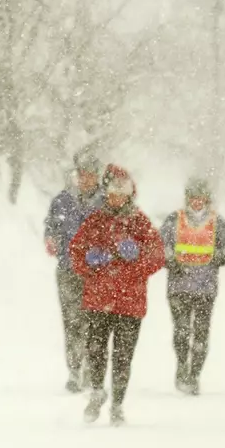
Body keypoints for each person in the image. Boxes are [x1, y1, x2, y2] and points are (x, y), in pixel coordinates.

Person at [69, 164, 164, 426]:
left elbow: (157, 256)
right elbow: (76, 251)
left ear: (129, 195)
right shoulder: (95, 220)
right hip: (98, 299)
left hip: (130, 303)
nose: (115, 198)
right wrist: (89, 261)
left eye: (121, 194)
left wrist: (137, 259)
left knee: (123, 356)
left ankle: (118, 404)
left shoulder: (140, 223)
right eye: (111, 193)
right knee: (96, 350)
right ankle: (97, 392)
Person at [160, 178, 225, 395]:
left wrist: (216, 258)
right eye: (193, 198)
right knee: (182, 332)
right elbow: (159, 246)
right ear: (187, 199)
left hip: (206, 288)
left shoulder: (217, 222)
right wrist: (171, 260)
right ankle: (182, 365)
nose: (197, 202)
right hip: (179, 286)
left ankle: (194, 374)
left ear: (207, 200)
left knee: (201, 334)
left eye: (200, 198)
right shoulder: (174, 219)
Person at [44, 150, 103, 392]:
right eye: (81, 174)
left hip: (96, 273)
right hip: (68, 270)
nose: (85, 179)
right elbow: (52, 226)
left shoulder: (106, 202)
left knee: (93, 322)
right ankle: (74, 370)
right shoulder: (62, 200)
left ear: (97, 176)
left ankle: (91, 368)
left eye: (89, 175)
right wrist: (51, 238)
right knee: (71, 322)